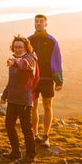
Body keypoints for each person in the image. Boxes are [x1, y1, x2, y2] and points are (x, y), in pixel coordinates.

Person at [0, 35, 38, 164]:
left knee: (26, 127)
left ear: (26, 47)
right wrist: (5, 95)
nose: (17, 49)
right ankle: (15, 152)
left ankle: (30, 154)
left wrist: (15, 62)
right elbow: (12, 81)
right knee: (9, 125)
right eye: (15, 47)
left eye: (20, 47)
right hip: (13, 99)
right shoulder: (14, 58)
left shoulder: (30, 58)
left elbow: (25, 65)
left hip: (24, 100)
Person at [28, 14, 63, 148]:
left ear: (46, 24)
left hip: (47, 78)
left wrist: (59, 81)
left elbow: (56, 60)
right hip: (32, 79)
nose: (38, 24)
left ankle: (46, 136)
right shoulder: (28, 40)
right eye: (36, 21)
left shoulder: (52, 41)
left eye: (41, 21)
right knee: (33, 107)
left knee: (47, 106)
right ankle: (34, 134)